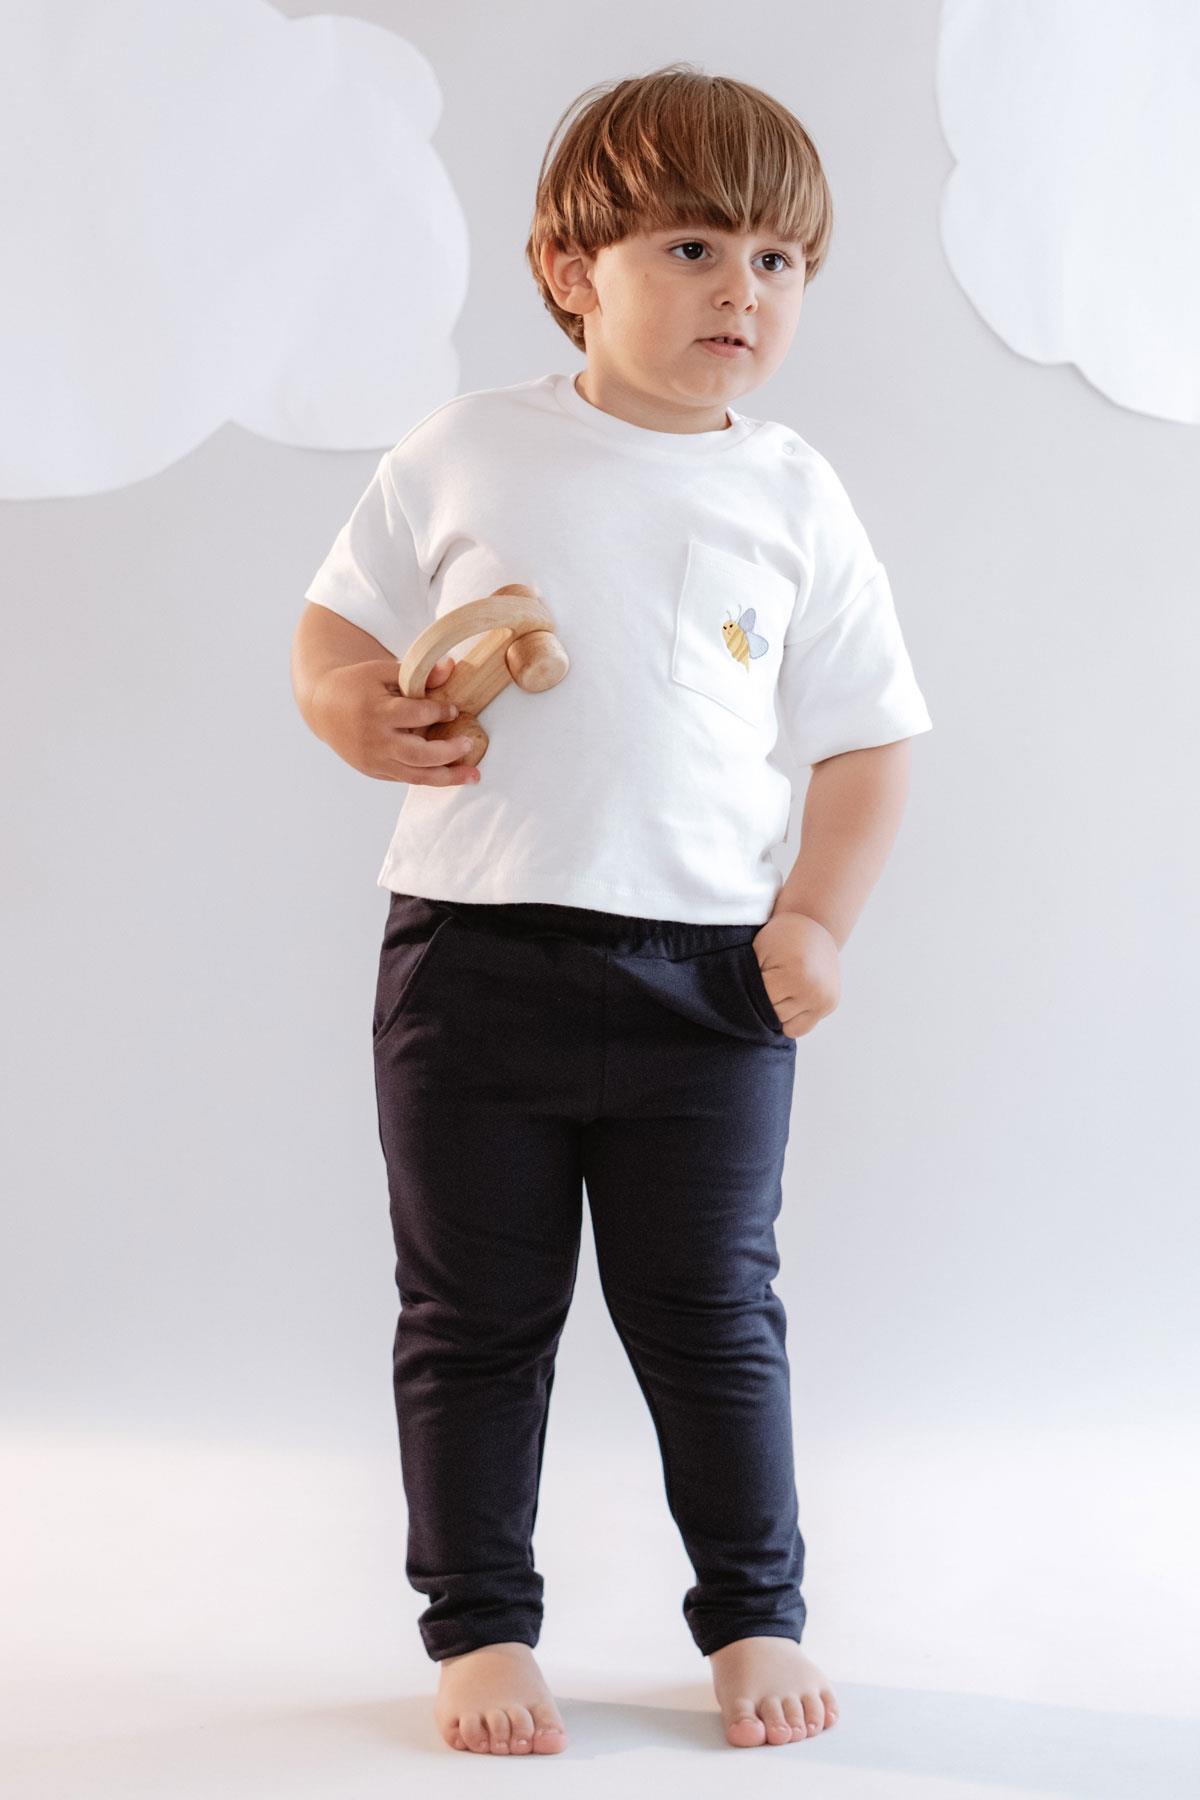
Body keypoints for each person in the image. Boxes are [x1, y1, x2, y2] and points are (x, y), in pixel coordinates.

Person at [290, 63, 933, 1757]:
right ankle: (481, 1627)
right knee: (473, 1320)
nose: (744, 290)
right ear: (572, 269)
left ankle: (755, 1610)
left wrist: (816, 921)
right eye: (694, 247)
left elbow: (870, 738)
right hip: (470, 960)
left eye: (779, 261)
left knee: (714, 1318)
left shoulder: (793, 494)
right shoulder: (466, 450)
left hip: (710, 985)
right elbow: (335, 629)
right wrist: (354, 708)